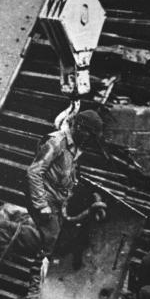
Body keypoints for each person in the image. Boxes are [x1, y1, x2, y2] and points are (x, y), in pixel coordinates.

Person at [26, 109, 104, 259]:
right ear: (79, 127)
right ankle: (36, 278)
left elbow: (67, 174)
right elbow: (34, 172)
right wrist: (42, 205)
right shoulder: (56, 142)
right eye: (89, 135)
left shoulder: (75, 146)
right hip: (45, 200)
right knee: (51, 242)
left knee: (59, 241)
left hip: (58, 202)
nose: (89, 140)